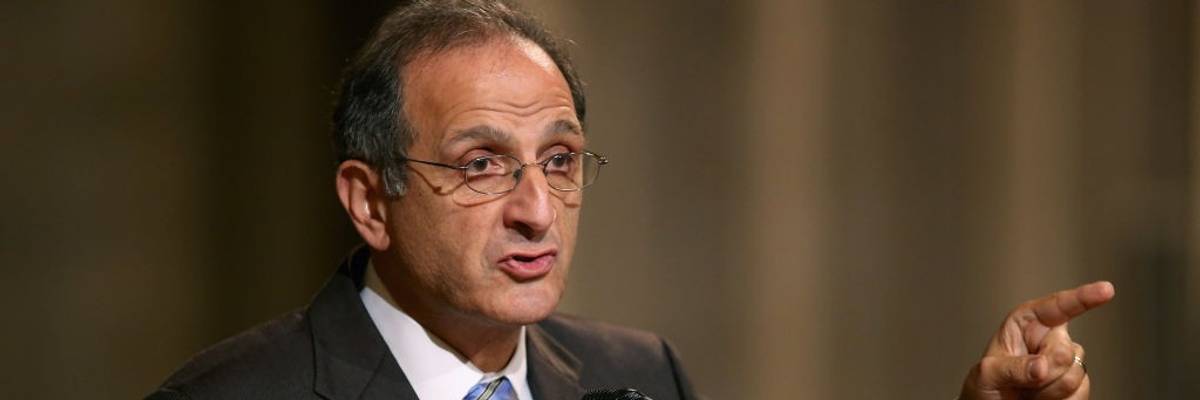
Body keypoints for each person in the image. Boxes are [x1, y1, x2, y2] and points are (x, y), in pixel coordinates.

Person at [146, 1, 1115, 399]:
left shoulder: (635, 371)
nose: (538, 209)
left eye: (560, 160)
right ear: (369, 199)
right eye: (484, 165)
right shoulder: (232, 394)